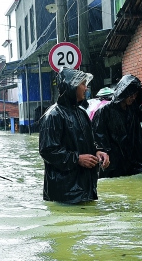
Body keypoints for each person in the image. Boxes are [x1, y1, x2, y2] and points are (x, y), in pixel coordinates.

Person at [39, 67, 109, 204]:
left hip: (85, 188)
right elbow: (47, 151)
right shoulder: (53, 115)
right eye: (83, 84)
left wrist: (98, 152)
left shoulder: (81, 113)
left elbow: (89, 142)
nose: (86, 88)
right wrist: (76, 159)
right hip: (63, 192)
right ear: (72, 87)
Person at [92, 74, 142, 178]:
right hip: (115, 163)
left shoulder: (133, 110)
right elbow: (97, 136)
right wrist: (102, 152)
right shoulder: (105, 111)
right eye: (130, 95)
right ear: (123, 93)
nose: (133, 98)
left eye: (135, 94)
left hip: (134, 161)